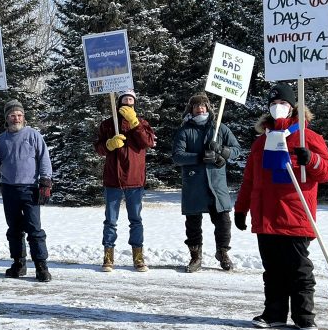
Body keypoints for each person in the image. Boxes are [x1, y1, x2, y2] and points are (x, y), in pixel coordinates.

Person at [233, 82, 328, 330]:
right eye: (274, 104)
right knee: (273, 271)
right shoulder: (261, 142)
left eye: (283, 104)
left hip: (295, 215)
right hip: (266, 216)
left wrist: (311, 159)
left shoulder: (308, 137)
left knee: (299, 270)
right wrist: (240, 208)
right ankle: (274, 313)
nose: (278, 107)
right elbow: (249, 179)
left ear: (293, 107)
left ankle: (304, 316)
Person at [171, 92, 241, 273]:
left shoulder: (220, 128)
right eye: (196, 106)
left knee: (224, 222)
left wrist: (222, 153)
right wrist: (200, 157)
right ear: (191, 109)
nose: (200, 108)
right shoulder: (185, 130)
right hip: (194, 184)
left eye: (203, 105)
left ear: (208, 108)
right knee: (193, 224)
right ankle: (195, 256)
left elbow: (236, 150)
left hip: (216, 185)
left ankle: (222, 252)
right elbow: (178, 156)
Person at [94, 89, 156, 272]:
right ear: (119, 101)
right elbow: (98, 148)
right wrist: (108, 144)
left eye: (131, 100)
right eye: (125, 99)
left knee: (136, 219)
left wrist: (135, 123)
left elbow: (148, 143)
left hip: (135, 180)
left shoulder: (142, 123)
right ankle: (108, 256)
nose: (128, 102)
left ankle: (138, 257)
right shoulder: (108, 124)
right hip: (113, 179)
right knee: (110, 220)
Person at [0, 99, 53, 282]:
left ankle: (41, 265)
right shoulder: (2, 139)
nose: (16, 118)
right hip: (9, 188)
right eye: (12, 115)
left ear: (24, 117)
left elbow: (44, 157)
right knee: (14, 229)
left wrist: (45, 181)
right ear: (7, 118)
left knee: (34, 229)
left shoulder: (33, 135)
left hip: (30, 188)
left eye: (19, 115)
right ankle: (18, 263)